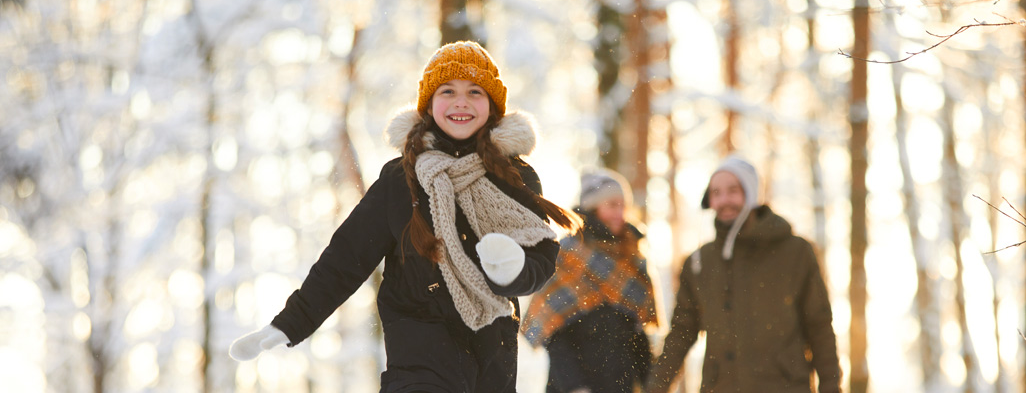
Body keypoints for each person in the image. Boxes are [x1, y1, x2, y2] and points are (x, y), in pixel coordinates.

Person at [228, 41, 581, 393]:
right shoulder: (401, 179)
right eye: (448, 91)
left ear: (492, 106)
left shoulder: (513, 177)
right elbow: (345, 259)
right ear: (429, 104)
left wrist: (512, 271)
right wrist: (291, 323)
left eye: (475, 91)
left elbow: (540, 257)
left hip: (490, 355)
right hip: (417, 355)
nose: (461, 101)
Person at [647, 156, 841, 393]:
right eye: (716, 193)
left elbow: (819, 327)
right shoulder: (699, 262)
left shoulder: (796, 252)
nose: (724, 200)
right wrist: (655, 387)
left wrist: (831, 386)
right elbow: (681, 333)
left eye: (733, 190)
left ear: (751, 194)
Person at [522, 169, 659, 393]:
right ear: (593, 207)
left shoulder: (632, 256)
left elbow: (638, 334)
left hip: (620, 384)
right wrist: (576, 386)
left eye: (623, 205)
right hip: (571, 384)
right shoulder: (568, 253)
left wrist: (652, 384)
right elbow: (554, 334)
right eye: (612, 205)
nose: (620, 213)